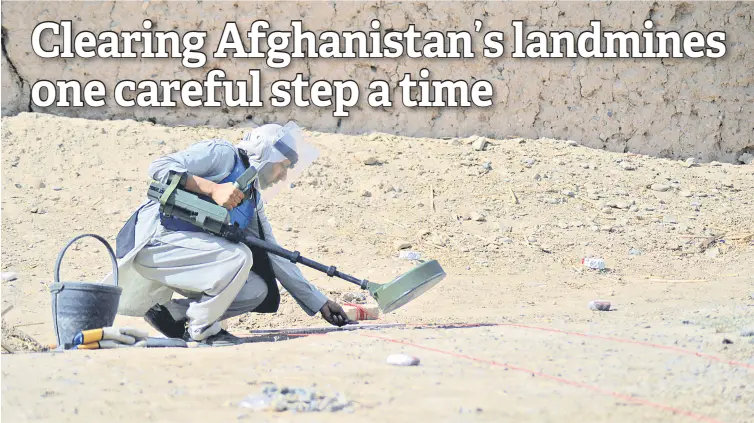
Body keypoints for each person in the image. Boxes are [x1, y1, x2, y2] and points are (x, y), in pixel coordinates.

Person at [103, 122, 350, 346]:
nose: (283, 175)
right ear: (265, 155)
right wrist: (213, 189)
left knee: (256, 289)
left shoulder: (252, 200)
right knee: (239, 256)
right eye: (281, 167)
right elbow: (159, 167)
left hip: (183, 255)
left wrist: (319, 302)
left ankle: (171, 314)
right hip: (155, 241)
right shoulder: (223, 155)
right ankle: (203, 330)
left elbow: (275, 254)